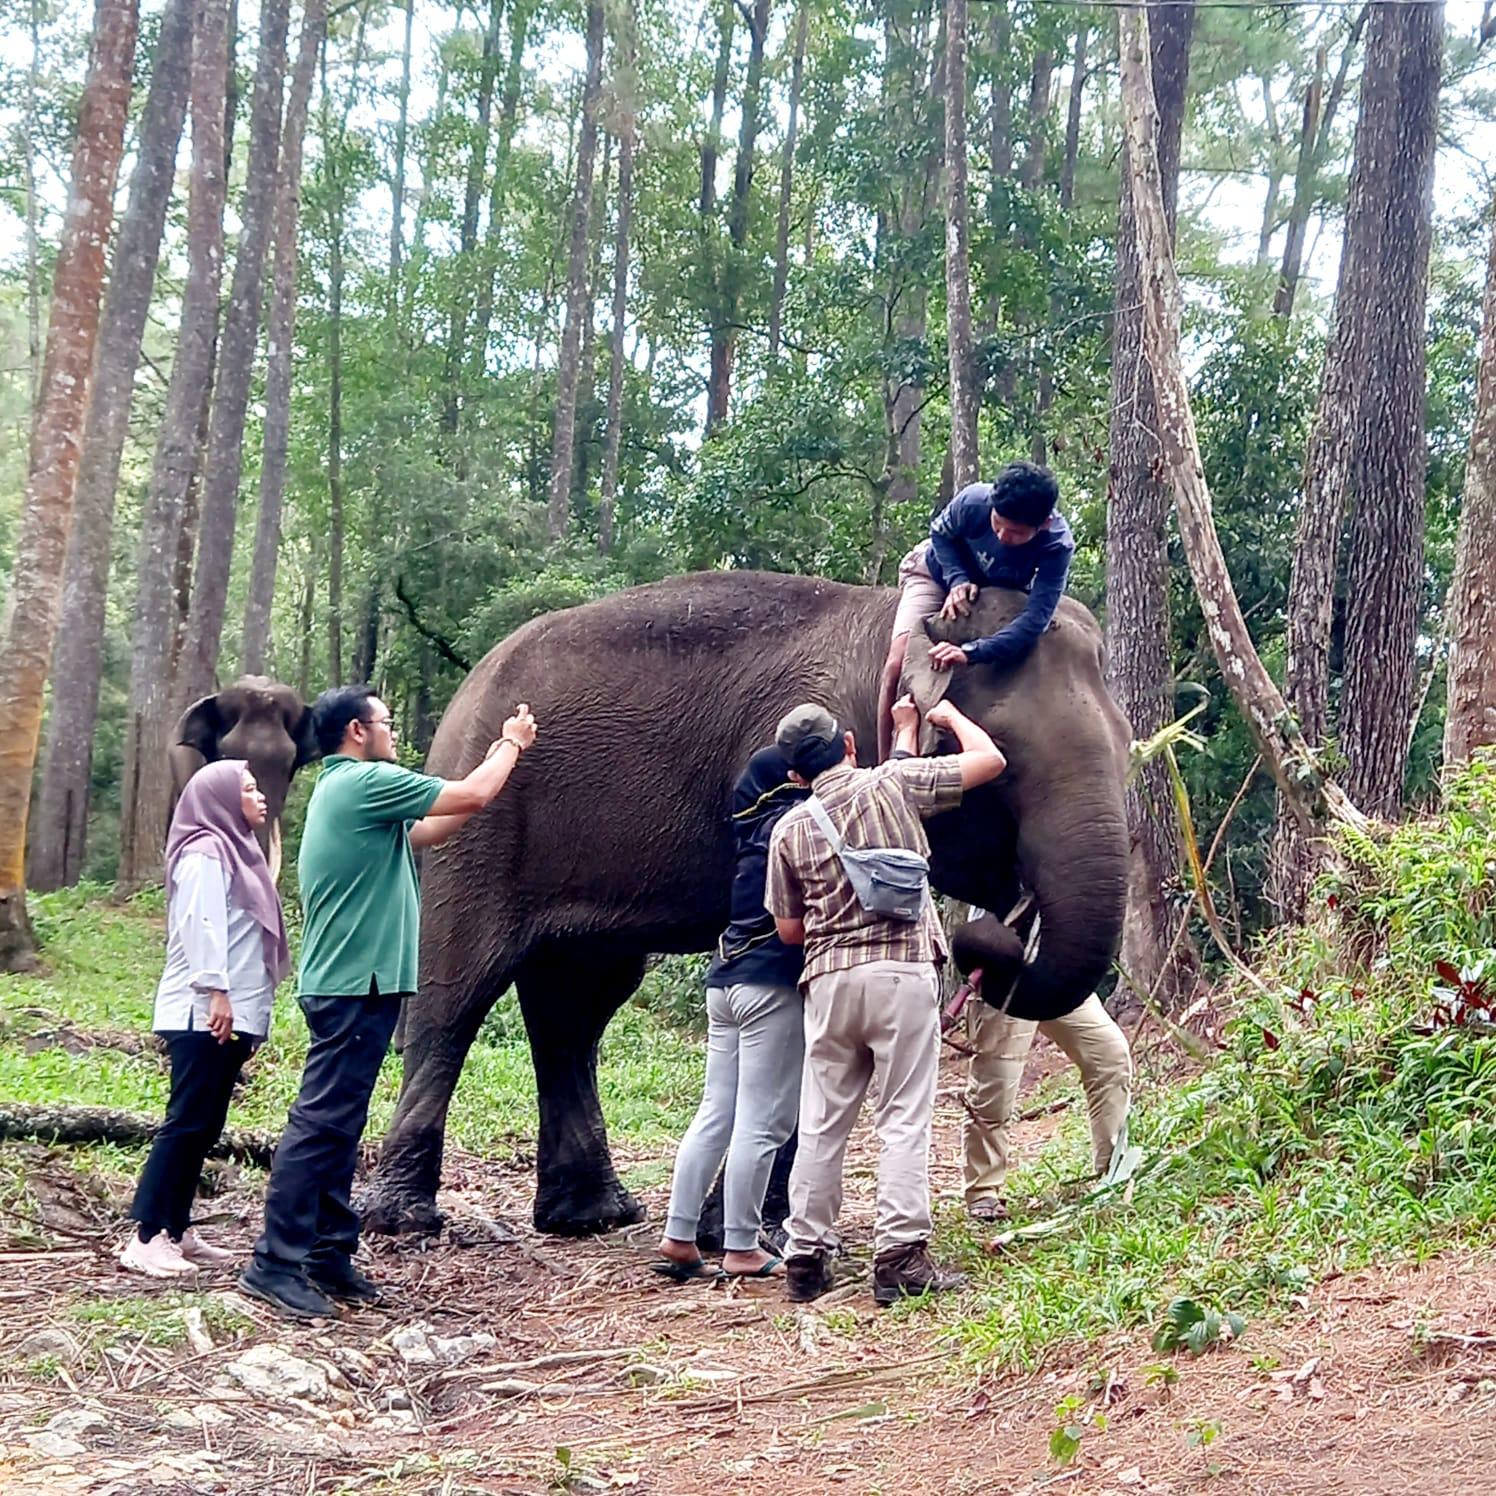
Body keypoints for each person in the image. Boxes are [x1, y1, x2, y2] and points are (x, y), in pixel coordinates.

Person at [238, 685, 538, 1319]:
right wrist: (510, 746)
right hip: (351, 984)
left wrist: (495, 764)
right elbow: (473, 793)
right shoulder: (360, 783)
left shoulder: (356, 795)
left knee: (339, 1127)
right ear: (355, 730)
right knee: (320, 1126)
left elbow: (440, 824)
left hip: (359, 984)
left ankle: (327, 1255)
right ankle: (274, 1261)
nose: (394, 732)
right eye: (386, 722)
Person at [765, 694, 1006, 1306]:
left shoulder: (788, 828)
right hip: (902, 975)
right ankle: (898, 1257)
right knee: (902, 1116)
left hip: (829, 984)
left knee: (822, 1122)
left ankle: (805, 1258)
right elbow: (989, 761)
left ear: (794, 775)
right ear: (848, 745)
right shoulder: (894, 784)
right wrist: (947, 719)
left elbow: (789, 931)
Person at [121, 761, 290, 1278]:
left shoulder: (237, 853)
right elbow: (202, 925)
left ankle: (176, 1226)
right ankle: (147, 1234)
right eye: (247, 789)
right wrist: (215, 991)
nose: (259, 796)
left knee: (206, 1123)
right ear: (219, 799)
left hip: (227, 1010)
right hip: (203, 1011)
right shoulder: (204, 852)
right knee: (187, 1121)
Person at [652, 747, 810, 1284]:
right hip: (770, 984)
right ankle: (741, 1243)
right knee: (763, 1121)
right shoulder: (797, 832)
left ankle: (679, 1234)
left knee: (716, 1112)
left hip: (724, 981)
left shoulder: (748, 834)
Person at [877, 460, 1074, 759]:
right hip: (937, 573)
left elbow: (1035, 619)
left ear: (1044, 524)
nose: (1002, 537)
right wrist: (957, 579)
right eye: (998, 524)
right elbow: (940, 535)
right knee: (896, 662)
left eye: (1017, 533)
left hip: (998, 593)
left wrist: (972, 652)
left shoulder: (1056, 545)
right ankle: (882, 765)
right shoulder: (973, 500)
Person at [959, 981, 1133, 1223]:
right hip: (1006, 979)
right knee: (994, 1095)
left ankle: (1113, 1170)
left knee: (1110, 1056)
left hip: (1060, 974)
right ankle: (983, 1192)